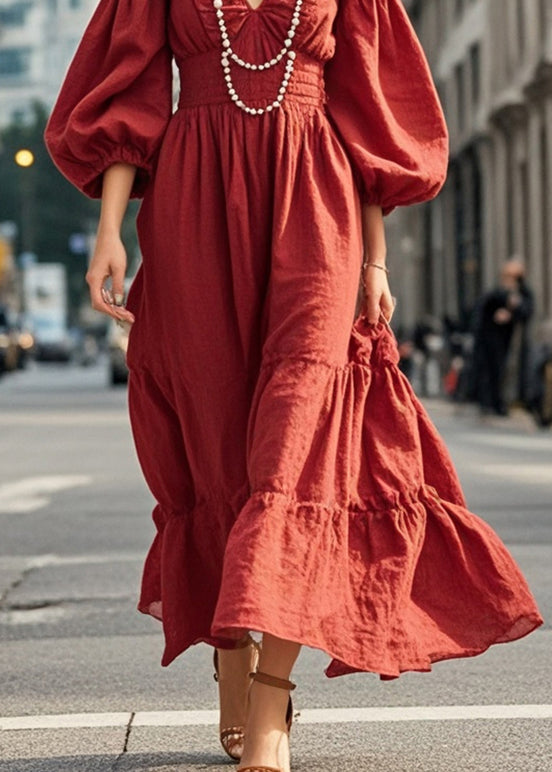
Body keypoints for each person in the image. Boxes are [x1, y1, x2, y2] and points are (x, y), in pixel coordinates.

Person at [45, 1, 543, 770]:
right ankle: (232, 648)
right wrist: (109, 232)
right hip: (192, 209)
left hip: (318, 210)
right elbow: (130, 91)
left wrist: (375, 262)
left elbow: (368, 115)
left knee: (297, 447)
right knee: (219, 453)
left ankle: (273, 692)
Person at [472, 259, 534, 416]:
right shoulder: (495, 293)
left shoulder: (523, 293)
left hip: (513, 340)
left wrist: (512, 313)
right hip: (493, 339)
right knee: (492, 371)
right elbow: (483, 310)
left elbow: (526, 311)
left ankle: (510, 401)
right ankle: (491, 403)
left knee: (508, 372)